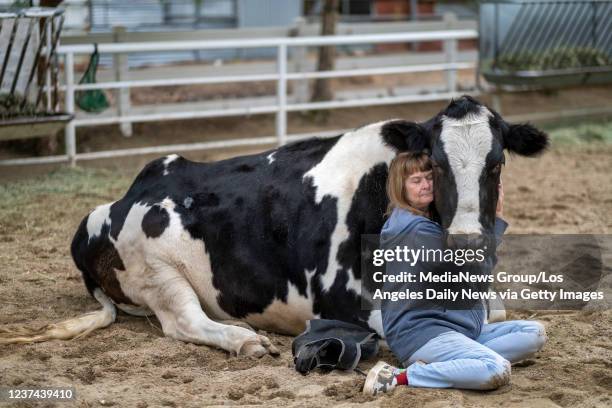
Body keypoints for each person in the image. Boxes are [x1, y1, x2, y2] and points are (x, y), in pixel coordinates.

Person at [363, 152, 547, 395]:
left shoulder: (427, 222)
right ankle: (399, 377)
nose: (426, 185)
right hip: (423, 333)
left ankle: (454, 362)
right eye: (416, 180)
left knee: (534, 333)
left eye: (429, 178)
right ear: (401, 188)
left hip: (457, 328)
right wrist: (497, 219)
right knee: (496, 368)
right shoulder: (416, 231)